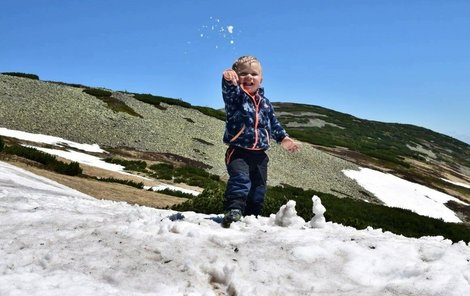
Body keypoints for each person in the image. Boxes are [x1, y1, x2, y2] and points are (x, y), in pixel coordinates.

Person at [221, 55, 300, 228]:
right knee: (240, 180)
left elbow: (273, 123)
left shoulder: (265, 104)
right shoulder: (236, 98)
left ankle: (253, 216)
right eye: (243, 73)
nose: (249, 77)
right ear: (236, 76)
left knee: (259, 188)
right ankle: (234, 210)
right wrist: (228, 79)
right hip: (238, 151)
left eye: (254, 74)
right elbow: (229, 91)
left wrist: (283, 138)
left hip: (260, 155)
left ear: (261, 79)